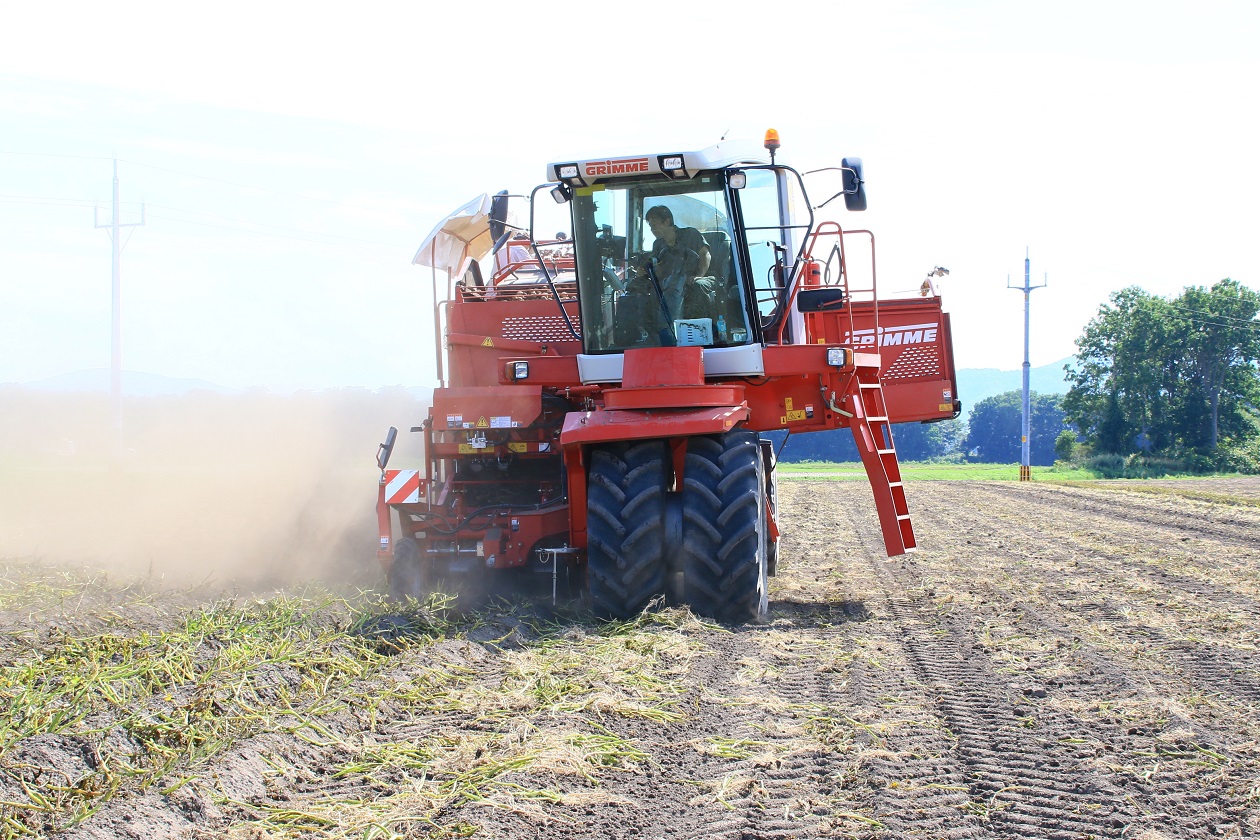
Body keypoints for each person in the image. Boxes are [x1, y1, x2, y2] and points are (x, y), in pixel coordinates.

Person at [642, 205, 713, 319]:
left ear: (666, 221)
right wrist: (646, 271)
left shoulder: (691, 234)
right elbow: (659, 270)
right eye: (650, 226)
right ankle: (661, 332)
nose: (652, 229)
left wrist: (698, 276)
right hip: (673, 282)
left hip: (701, 277)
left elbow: (705, 255)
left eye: (654, 224)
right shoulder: (658, 245)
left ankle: (704, 328)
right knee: (654, 292)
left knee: (698, 286)